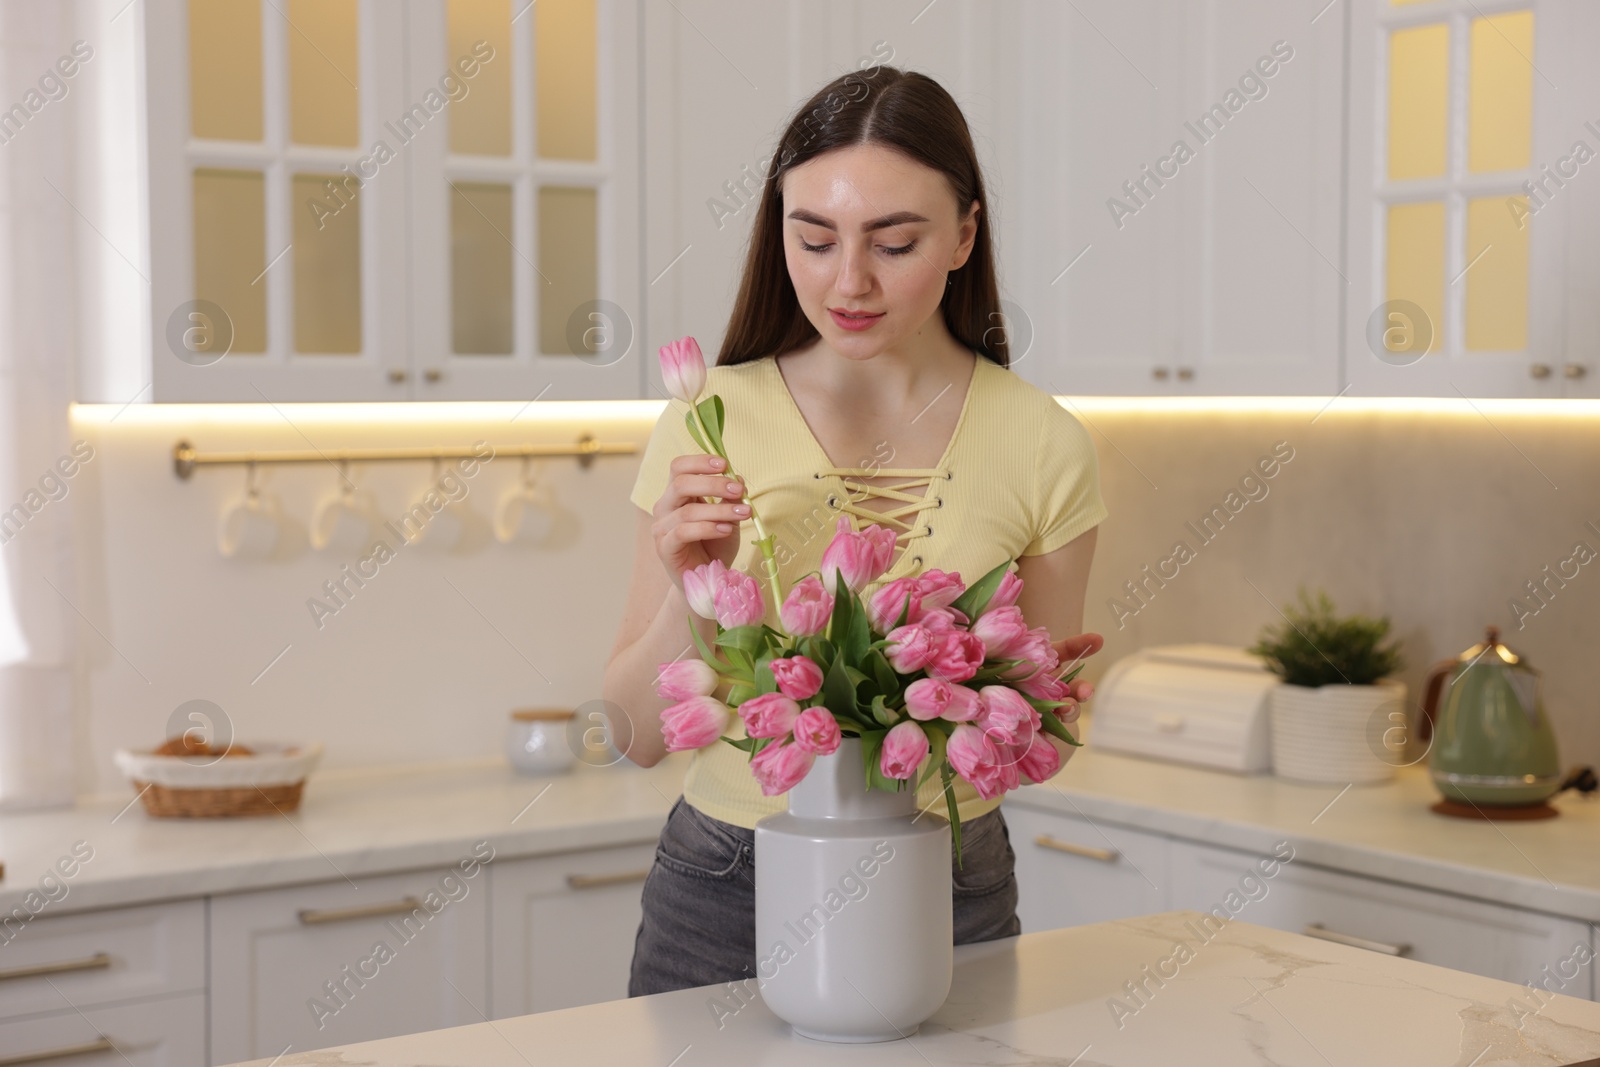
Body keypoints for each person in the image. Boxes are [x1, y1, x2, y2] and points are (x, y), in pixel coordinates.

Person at [603, 65, 1108, 998]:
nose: (850, 282)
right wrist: (692, 588)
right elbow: (633, 731)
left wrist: (1039, 699)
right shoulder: (706, 419)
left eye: (896, 241)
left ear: (963, 235)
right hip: (725, 882)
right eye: (815, 238)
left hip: (950, 877)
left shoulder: (1044, 442)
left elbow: (1044, 742)